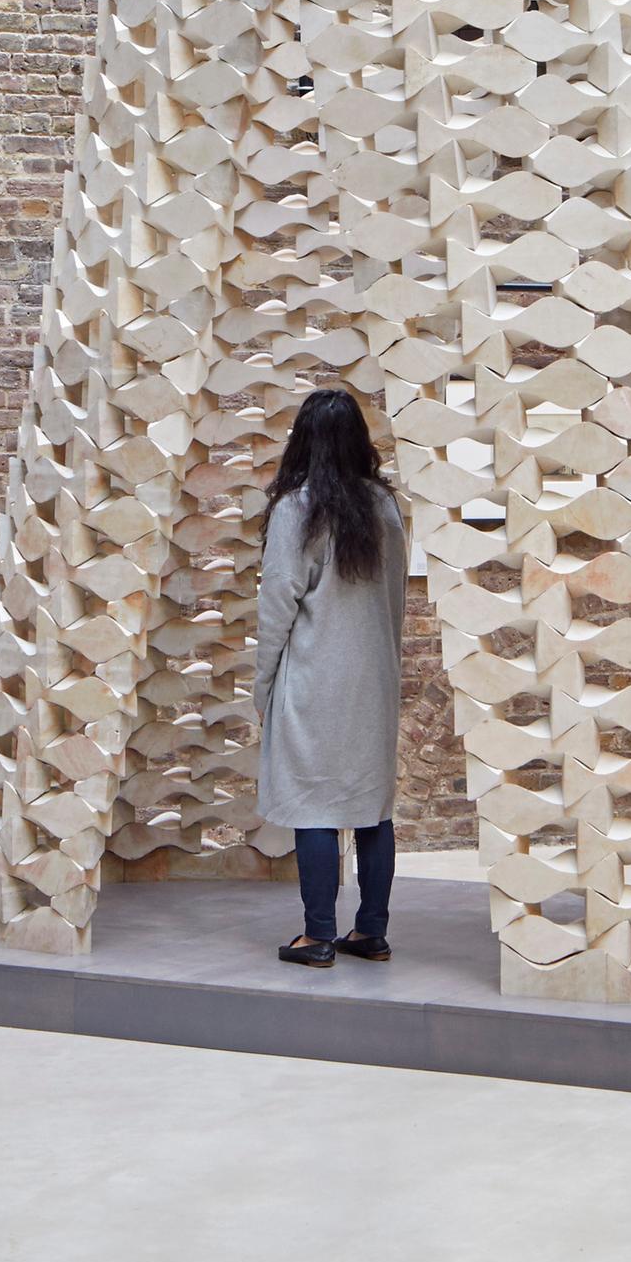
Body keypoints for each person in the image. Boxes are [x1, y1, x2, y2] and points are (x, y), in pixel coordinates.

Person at [254, 385, 407, 968]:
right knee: (372, 805)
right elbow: (394, 602)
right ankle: (371, 931)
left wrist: (263, 684)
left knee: (313, 801)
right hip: (373, 678)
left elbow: (277, 605)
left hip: (315, 677)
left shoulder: (298, 508)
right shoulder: (385, 507)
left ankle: (318, 934)